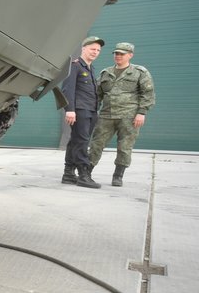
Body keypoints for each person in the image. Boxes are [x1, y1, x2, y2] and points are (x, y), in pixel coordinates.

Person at [88, 42, 156, 186]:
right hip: (107, 115)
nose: (118, 56)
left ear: (130, 55)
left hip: (129, 116)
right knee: (96, 144)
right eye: (116, 53)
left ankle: (118, 176)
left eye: (122, 54)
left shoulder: (139, 72)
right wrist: (92, 111)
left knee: (125, 146)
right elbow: (98, 95)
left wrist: (141, 112)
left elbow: (147, 93)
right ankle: (87, 172)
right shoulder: (106, 72)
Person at [59, 36, 104, 188]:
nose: (95, 52)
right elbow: (67, 90)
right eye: (92, 49)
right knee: (82, 142)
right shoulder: (75, 66)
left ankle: (68, 174)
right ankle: (84, 175)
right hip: (80, 110)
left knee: (76, 141)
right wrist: (70, 110)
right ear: (83, 48)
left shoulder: (91, 68)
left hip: (91, 110)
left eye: (98, 50)